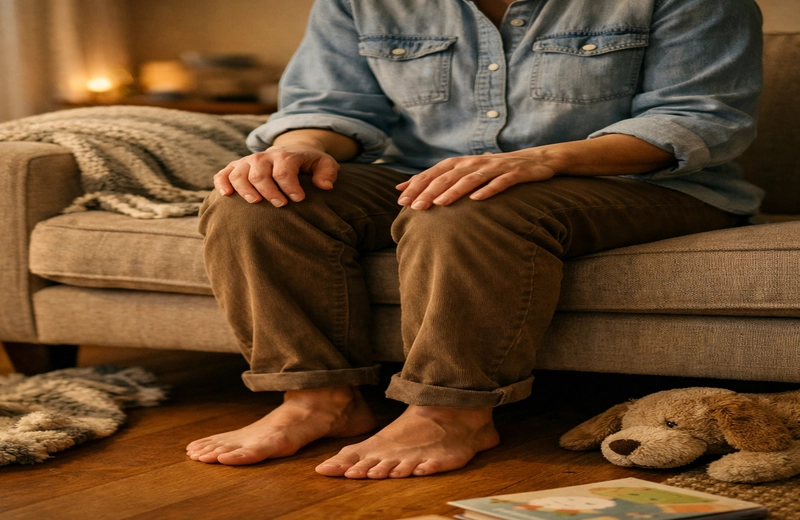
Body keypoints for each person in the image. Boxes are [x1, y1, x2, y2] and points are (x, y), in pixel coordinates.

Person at [185, 0, 763, 479]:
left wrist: (540, 160)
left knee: (462, 204)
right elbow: (328, 105)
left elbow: (699, 117)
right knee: (256, 200)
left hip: (638, 181)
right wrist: (302, 147)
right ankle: (317, 400)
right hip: (428, 174)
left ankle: (448, 413)